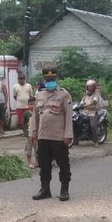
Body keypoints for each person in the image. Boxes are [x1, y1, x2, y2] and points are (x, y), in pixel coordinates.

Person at [31, 67, 74, 201]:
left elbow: (68, 116)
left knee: (63, 164)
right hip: (43, 136)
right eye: (47, 79)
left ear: (56, 79)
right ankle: (45, 189)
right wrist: (33, 133)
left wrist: (68, 134)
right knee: (44, 165)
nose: (50, 81)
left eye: (52, 79)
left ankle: (64, 189)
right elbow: (35, 116)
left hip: (58, 136)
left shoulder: (63, 94)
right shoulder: (40, 95)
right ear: (44, 79)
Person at [80, 79, 103, 145]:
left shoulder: (97, 92)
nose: (90, 87)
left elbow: (95, 100)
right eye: (88, 86)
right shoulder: (86, 93)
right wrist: (80, 104)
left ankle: (96, 141)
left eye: (91, 86)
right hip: (85, 112)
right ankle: (77, 138)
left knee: (93, 126)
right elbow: (82, 100)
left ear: (94, 87)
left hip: (93, 112)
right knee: (78, 121)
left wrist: (88, 104)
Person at [23, 96, 37, 168]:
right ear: (28, 105)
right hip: (28, 135)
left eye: (34, 104)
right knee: (29, 150)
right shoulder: (26, 113)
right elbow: (24, 124)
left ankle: (38, 163)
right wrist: (26, 133)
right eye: (30, 104)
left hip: (36, 135)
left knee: (37, 150)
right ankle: (29, 163)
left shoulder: (38, 113)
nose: (32, 105)